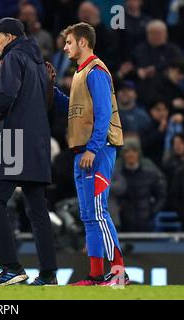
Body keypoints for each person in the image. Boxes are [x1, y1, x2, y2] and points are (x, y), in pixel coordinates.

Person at [0, 17, 57, 286]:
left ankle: (11, 267)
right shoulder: (39, 62)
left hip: (15, 139)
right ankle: (49, 274)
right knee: (38, 210)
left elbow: (6, 96)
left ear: (11, 37)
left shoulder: (14, 58)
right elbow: (45, 102)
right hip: (38, 140)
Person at [53, 22, 129, 286]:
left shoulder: (96, 71)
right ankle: (96, 274)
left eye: (69, 42)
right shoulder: (81, 73)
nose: (65, 48)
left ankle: (118, 273)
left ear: (83, 42)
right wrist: (51, 90)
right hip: (82, 150)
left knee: (98, 211)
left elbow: (104, 114)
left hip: (97, 150)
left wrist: (93, 149)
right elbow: (74, 108)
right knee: (87, 214)